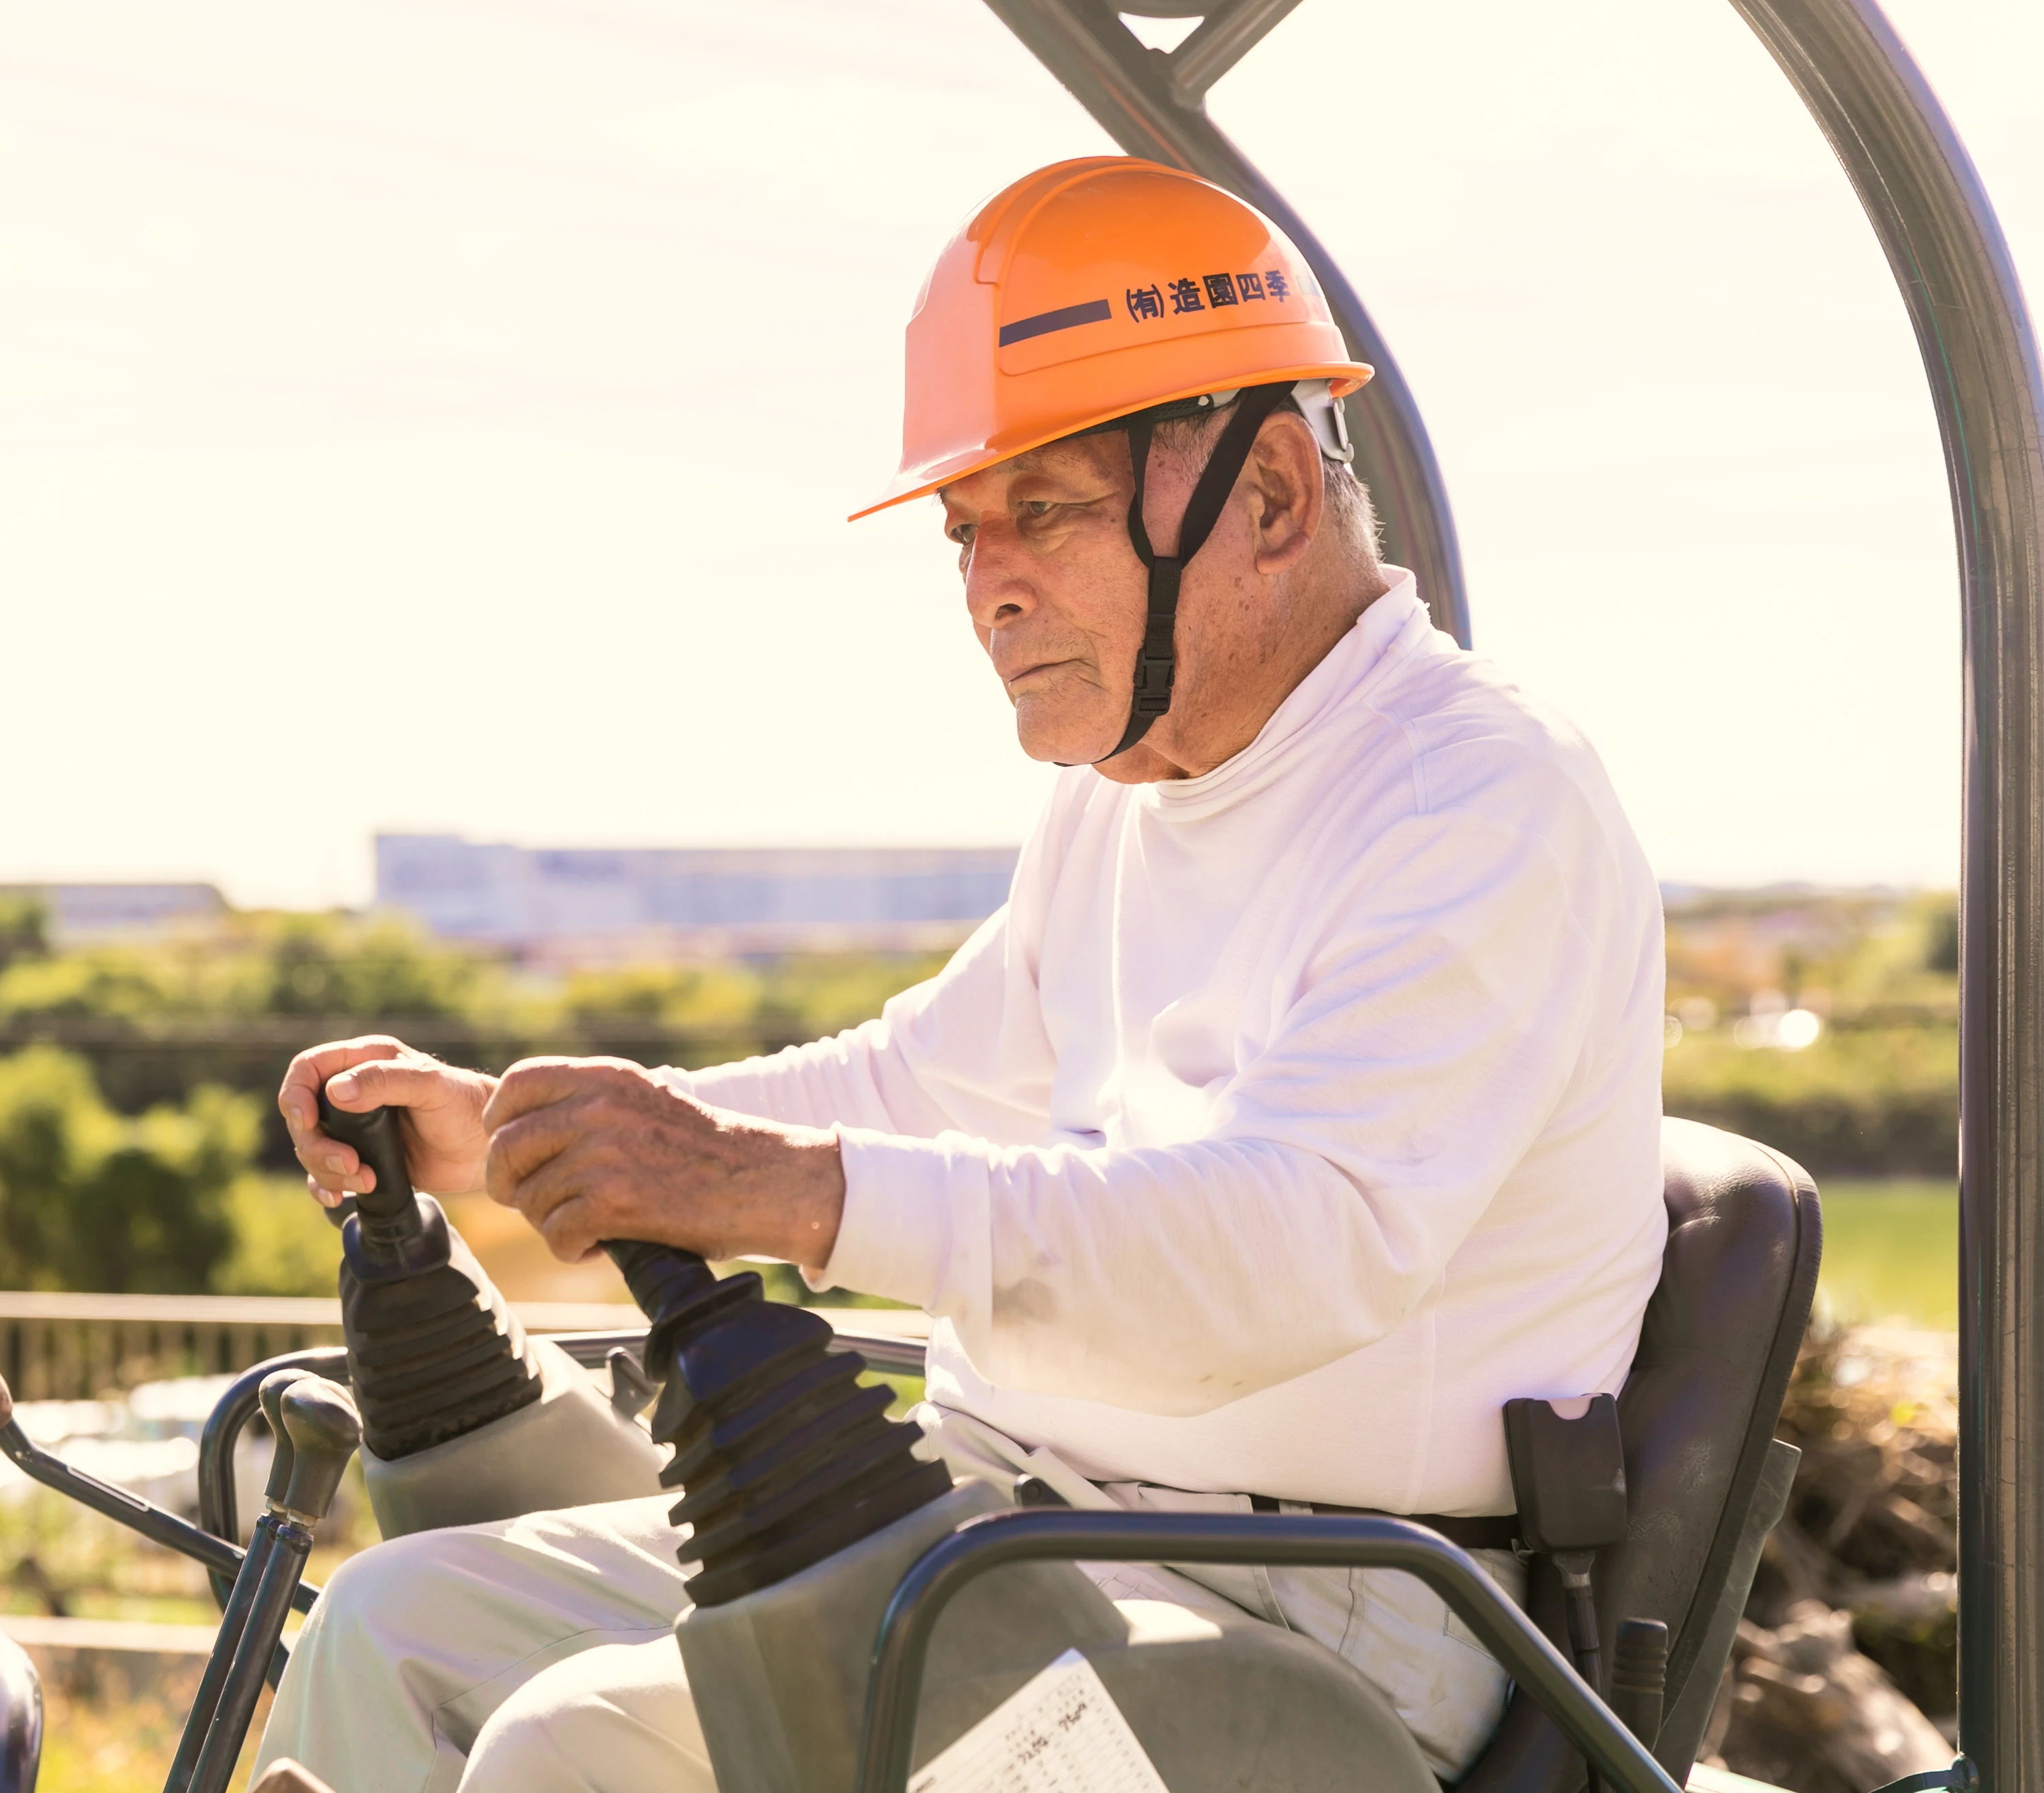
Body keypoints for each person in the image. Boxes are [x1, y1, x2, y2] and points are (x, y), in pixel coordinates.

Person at [250, 157, 1666, 1793]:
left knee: (572, 1746)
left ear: (1270, 497)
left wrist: (781, 1194)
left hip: (1318, 1627)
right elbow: (919, 1085)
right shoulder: (1125, 799)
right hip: (1017, 1531)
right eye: (965, 531)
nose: (991, 586)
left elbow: (1301, 1249)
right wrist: (519, 1129)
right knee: (395, 1622)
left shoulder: (1474, 800)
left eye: (1045, 511)